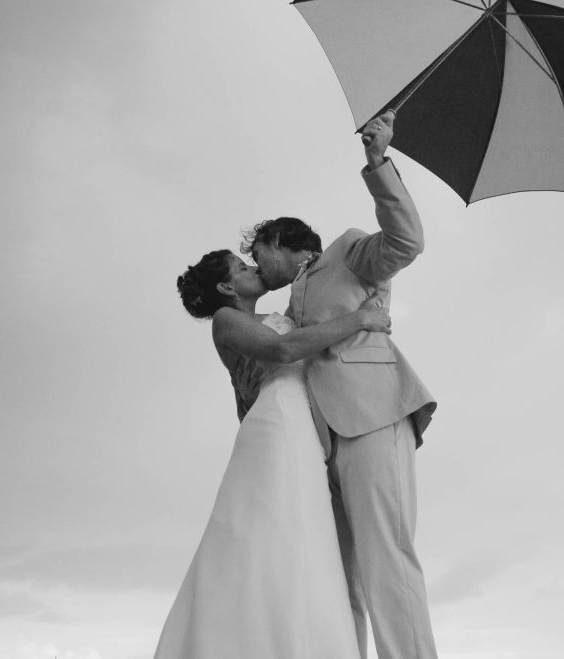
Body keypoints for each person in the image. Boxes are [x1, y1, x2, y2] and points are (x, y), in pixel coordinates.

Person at [240, 110, 439, 659]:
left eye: (259, 255)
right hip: (319, 444)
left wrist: (378, 161)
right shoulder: (289, 304)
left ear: (281, 242)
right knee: (339, 577)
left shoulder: (349, 251)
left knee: (387, 560)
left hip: (373, 414)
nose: (256, 265)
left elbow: (406, 242)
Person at [154, 248, 391, 659]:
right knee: (268, 529)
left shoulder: (274, 316)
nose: (253, 269)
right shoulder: (228, 320)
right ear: (227, 287)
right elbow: (284, 351)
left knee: (300, 535)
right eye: (242, 268)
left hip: (303, 429)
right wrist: (361, 319)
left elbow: (307, 328)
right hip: (278, 422)